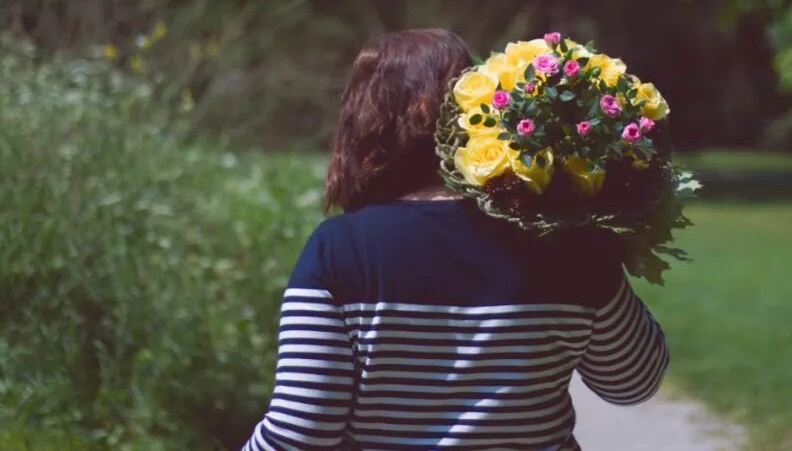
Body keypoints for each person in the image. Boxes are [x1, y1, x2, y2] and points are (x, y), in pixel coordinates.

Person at [241, 28, 668, 451]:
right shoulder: (567, 243)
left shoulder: (340, 249)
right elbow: (632, 382)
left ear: (361, 125)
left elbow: (302, 430)